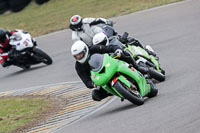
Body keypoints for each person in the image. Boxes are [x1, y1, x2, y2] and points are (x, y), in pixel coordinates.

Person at [69, 15, 157, 57]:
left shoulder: (86, 21)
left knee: (127, 40)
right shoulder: (75, 36)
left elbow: (98, 20)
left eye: (79, 24)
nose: (78, 26)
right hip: (95, 47)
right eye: (76, 25)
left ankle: (147, 51)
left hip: (103, 36)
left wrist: (107, 22)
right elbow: (81, 47)